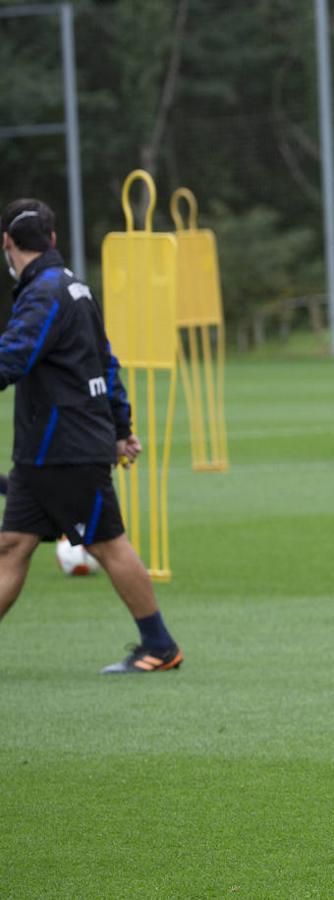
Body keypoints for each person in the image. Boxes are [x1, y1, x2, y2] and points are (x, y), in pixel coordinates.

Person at [0, 199, 183, 673]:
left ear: (7, 242)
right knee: (13, 545)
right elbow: (106, 362)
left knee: (108, 544)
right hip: (48, 449)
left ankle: (160, 646)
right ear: (53, 239)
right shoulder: (74, 287)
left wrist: (117, 429)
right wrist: (121, 427)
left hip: (63, 448)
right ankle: (159, 644)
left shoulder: (43, 294)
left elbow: (12, 359)